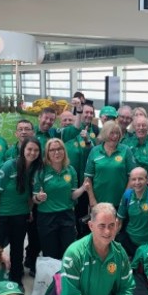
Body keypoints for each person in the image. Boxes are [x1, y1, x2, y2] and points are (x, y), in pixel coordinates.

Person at [0, 138, 42, 284]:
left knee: (17, 249)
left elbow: (31, 195)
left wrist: (29, 211)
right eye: (29, 149)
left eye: (36, 150)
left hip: (21, 214)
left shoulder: (36, 169)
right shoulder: (9, 166)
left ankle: (16, 279)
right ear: (23, 150)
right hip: (2, 215)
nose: (32, 153)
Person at [33, 138, 89, 260]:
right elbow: (34, 198)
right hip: (47, 218)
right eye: (52, 150)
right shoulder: (41, 171)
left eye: (59, 149)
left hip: (67, 216)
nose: (56, 152)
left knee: (68, 252)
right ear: (47, 153)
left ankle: (66, 278)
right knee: (50, 253)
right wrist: (38, 197)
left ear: (64, 151)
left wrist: (83, 188)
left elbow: (72, 195)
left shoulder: (71, 170)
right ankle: (53, 279)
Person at [85, 120, 136, 208]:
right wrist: (92, 199)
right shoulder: (95, 151)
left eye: (117, 133)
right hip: (98, 202)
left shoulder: (126, 150)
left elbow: (132, 177)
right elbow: (87, 178)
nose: (115, 136)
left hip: (120, 203)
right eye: (111, 133)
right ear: (105, 134)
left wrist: (125, 198)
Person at [66, 102, 99, 238]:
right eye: (86, 112)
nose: (89, 115)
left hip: (89, 181)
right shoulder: (70, 132)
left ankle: (86, 236)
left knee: (88, 211)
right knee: (74, 211)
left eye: (91, 113)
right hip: (72, 180)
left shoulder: (96, 131)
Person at [124, 116, 148, 188]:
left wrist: (136, 158)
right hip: (130, 184)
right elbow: (125, 163)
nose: (141, 128)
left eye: (144, 125)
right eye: (138, 125)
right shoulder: (127, 143)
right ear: (134, 127)